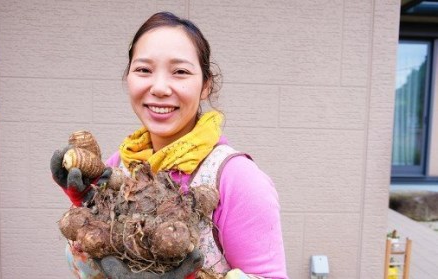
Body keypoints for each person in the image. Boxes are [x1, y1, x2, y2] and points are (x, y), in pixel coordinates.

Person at [51, 11, 288, 279]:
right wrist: (83, 207)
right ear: (127, 77)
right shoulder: (119, 165)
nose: (160, 87)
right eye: (143, 70)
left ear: (206, 85)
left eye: (180, 72)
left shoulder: (236, 178)